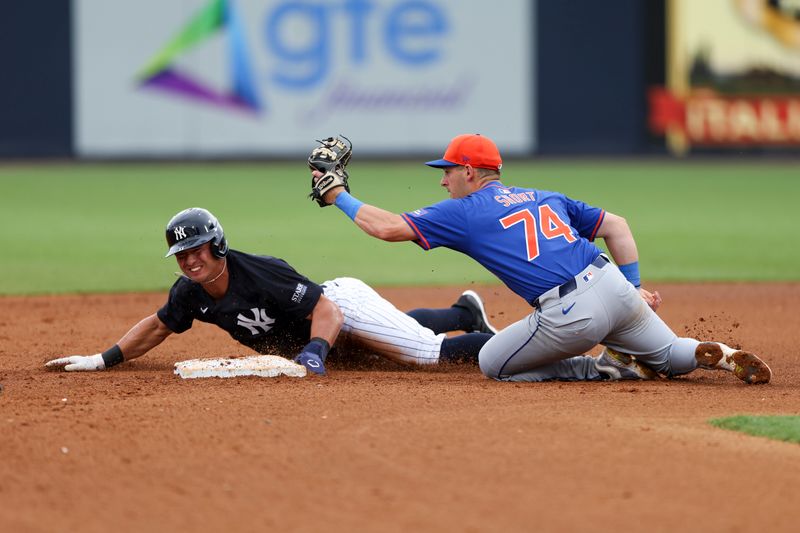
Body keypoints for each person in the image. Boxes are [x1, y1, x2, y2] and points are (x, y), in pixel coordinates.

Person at [311, 133, 772, 384]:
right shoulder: (544, 194)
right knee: (668, 356)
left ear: (470, 172)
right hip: (612, 284)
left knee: (493, 363)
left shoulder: (466, 210)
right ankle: (718, 354)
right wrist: (633, 288)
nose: (442, 181)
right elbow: (618, 226)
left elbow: (388, 228)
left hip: (571, 314)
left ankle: (599, 367)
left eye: (448, 171)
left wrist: (339, 196)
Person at [45, 207, 496, 376]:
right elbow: (158, 326)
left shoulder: (261, 273)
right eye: (181, 255)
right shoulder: (189, 292)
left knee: (421, 353)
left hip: (337, 305)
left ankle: (512, 346)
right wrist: (102, 359)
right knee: (384, 339)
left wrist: (317, 350)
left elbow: (326, 309)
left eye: (196, 249)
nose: (189, 260)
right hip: (321, 324)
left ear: (217, 244)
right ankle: (463, 312)